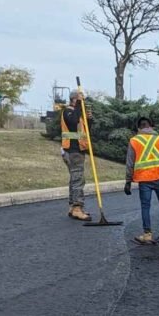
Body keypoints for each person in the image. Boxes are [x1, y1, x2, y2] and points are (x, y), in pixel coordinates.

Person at [124, 116, 159, 246]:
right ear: (151, 127)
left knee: (145, 206)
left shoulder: (134, 141)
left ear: (138, 128)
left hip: (144, 179)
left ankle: (147, 235)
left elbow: (130, 162)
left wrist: (128, 181)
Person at [60, 89, 91, 221]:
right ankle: (77, 208)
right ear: (74, 99)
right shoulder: (69, 111)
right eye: (80, 99)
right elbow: (72, 123)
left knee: (75, 179)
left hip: (78, 149)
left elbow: (84, 131)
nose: (82, 101)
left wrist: (88, 120)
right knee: (78, 179)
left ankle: (73, 207)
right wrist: (79, 105)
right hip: (72, 150)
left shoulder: (77, 113)